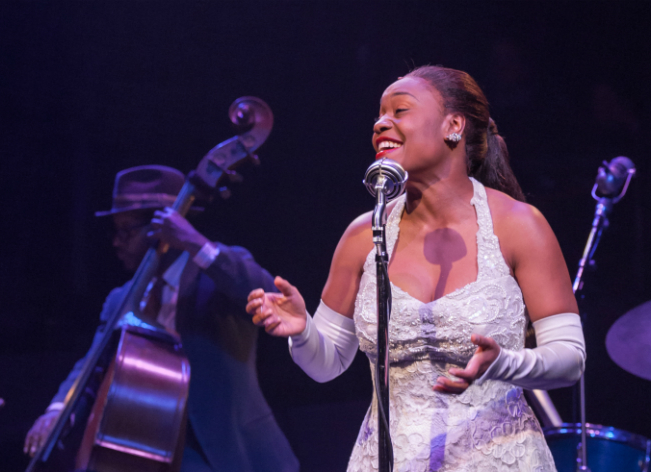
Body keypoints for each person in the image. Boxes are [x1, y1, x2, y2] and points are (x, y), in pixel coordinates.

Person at [247, 66, 586, 471]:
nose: (380, 123)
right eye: (379, 113)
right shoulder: (363, 234)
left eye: (400, 110)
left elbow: (570, 359)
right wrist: (303, 332)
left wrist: (505, 364)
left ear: (453, 126)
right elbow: (326, 365)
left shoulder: (518, 225)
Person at [24, 165, 299, 472]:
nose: (116, 242)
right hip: (158, 454)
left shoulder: (216, 274)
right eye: (115, 231)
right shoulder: (121, 298)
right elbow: (91, 365)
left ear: (162, 225)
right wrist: (58, 410)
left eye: (126, 230)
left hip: (234, 454)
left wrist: (194, 241)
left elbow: (262, 290)